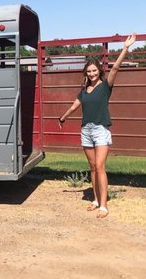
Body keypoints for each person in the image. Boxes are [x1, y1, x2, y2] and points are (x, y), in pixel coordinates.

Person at [58, 34, 136, 218]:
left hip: (101, 130)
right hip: (86, 131)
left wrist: (125, 48)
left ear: (99, 71)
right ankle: (95, 200)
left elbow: (116, 68)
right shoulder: (84, 91)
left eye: (94, 71)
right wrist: (62, 118)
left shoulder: (105, 86)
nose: (92, 74)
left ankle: (104, 205)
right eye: (89, 72)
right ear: (86, 73)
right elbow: (73, 106)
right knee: (92, 167)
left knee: (100, 166)